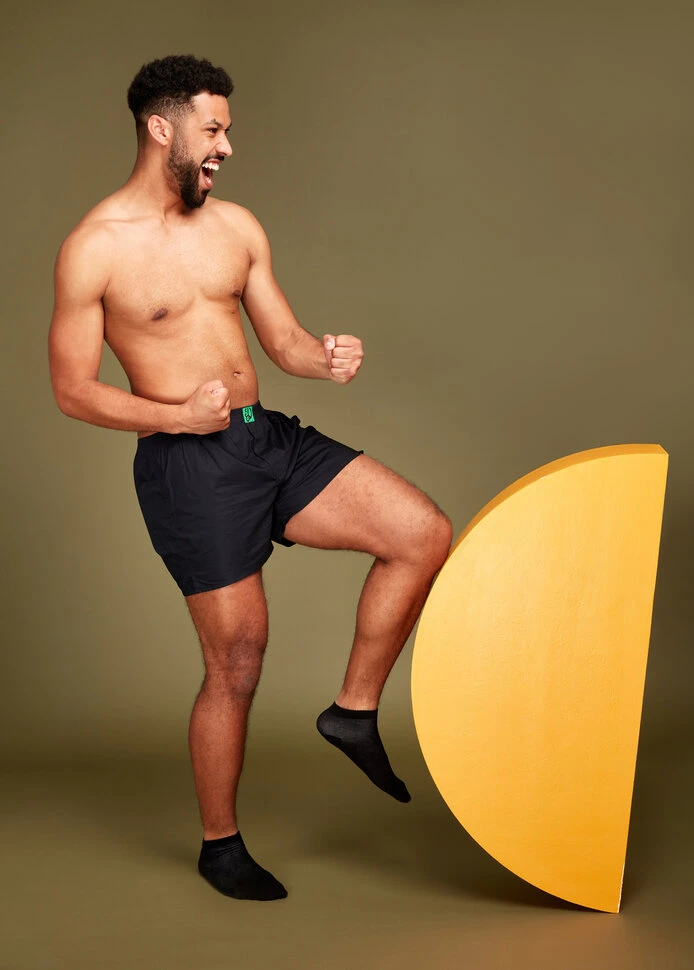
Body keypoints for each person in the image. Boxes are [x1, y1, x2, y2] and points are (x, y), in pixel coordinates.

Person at [47, 54, 452, 901]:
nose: (226, 147)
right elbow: (72, 390)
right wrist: (174, 418)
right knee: (237, 660)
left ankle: (352, 712)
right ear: (161, 127)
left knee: (421, 533)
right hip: (188, 466)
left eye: (226, 130)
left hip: (264, 439)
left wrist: (325, 357)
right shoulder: (95, 248)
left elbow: (284, 341)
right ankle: (220, 844)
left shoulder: (236, 228)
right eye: (213, 129)